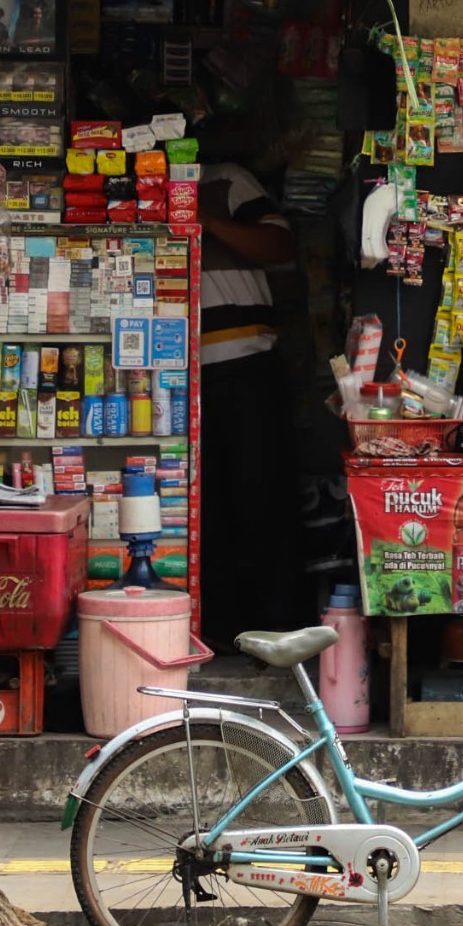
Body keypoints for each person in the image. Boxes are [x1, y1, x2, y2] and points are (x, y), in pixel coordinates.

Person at [194, 162, 305, 647]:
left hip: (246, 366)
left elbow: (280, 246)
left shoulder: (225, 179)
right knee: (202, 504)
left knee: (261, 494)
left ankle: (279, 625)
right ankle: (217, 628)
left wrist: (208, 220)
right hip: (174, 376)